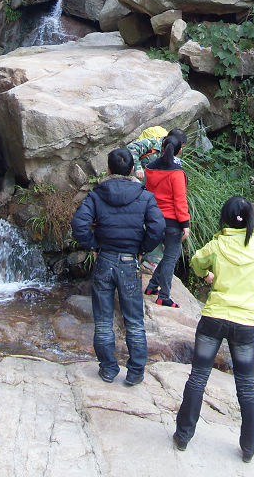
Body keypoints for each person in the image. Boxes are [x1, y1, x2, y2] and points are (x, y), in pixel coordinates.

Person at [173, 196, 254, 463]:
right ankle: (249, 449)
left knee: (198, 377)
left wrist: (207, 276)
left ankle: (183, 436)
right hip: (245, 323)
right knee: (246, 387)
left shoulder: (216, 245)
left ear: (225, 218)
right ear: (251, 218)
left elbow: (195, 262)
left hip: (214, 318)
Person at [71, 147, 165, 386]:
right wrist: (142, 248)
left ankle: (109, 369)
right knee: (134, 321)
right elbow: (158, 228)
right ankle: (135, 372)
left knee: (103, 321)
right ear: (133, 170)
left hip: (104, 259)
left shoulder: (96, 194)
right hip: (129, 262)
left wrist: (93, 244)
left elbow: (79, 225)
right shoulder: (144, 196)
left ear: (109, 170)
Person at [143, 134, 190, 308]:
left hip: (154, 219)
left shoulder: (151, 168)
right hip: (172, 222)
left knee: (171, 255)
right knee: (171, 258)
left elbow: (147, 192)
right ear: (179, 150)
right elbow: (180, 200)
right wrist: (185, 224)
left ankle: (152, 286)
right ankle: (164, 296)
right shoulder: (177, 173)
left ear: (162, 148)